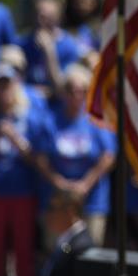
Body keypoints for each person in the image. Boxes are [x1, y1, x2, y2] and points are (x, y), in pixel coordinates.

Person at [35, 64, 115, 247]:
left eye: (82, 91)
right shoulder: (50, 120)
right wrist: (58, 182)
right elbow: (40, 157)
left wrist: (85, 184)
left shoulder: (96, 120)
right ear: (64, 92)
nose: (76, 96)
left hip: (92, 199)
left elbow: (108, 156)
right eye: (72, 90)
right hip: (58, 200)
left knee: (90, 255)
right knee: (60, 253)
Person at [0, 63, 46, 276]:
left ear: (15, 87)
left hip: (23, 193)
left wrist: (16, 139)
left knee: (23, 247)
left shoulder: (30, 118)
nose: (4, 92)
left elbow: (38, 161)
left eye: (7, 86)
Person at [36, 189, 94, 276]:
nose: (48, 214)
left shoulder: (82, 247)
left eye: (52, 209)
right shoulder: (66, 239)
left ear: (70, 211)